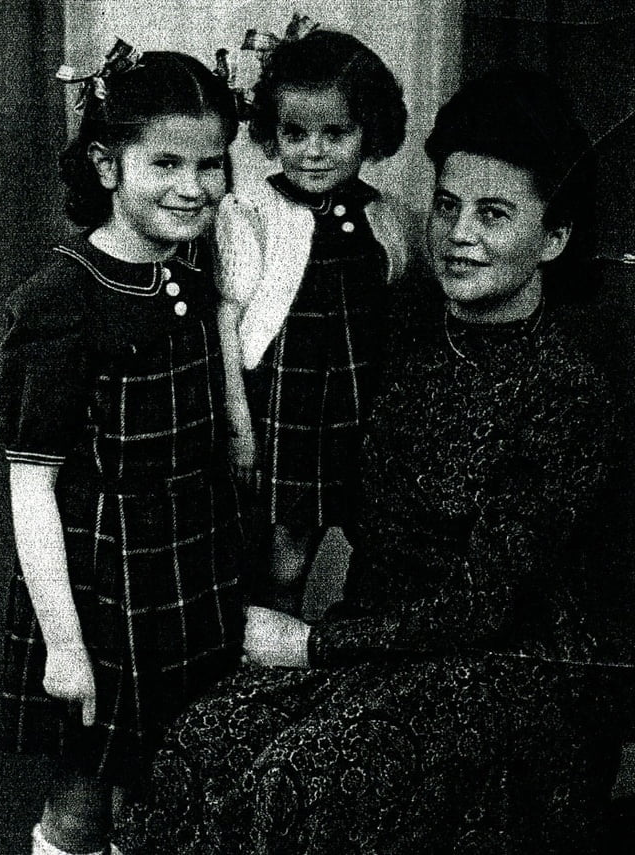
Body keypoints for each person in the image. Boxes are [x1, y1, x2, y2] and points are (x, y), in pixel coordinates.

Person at [114, 69, 633, 854]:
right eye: (449, 205)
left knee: (301, 775)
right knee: (201, 735)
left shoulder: (565, 391)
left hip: (510, 668)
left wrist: (311, 645)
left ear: (553, 237)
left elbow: (483, 605)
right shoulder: (405, 334)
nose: (459, 234)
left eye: (494, 214)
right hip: (382, 640)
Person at [0, 41, 244, 855]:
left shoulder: (191, 271)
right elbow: (33, 486)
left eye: (211, 163)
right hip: (104, 593)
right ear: (107, 165)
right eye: (166, 161)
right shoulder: (63, 297)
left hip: (187, 571)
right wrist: (65, 643)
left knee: (172, 783)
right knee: (84, 801)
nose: (193, 185)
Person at [216, 28, 412, 615]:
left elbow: (395, 318)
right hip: (287, 414)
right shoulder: (251, 209)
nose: (313, 151)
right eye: (295, 133)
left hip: (363, 414)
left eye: (336, 133)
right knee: (284, 559)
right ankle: (269, 670)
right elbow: (229, 325)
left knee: (379, 544)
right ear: (272, 134)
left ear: (369, 133)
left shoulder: (387, 217)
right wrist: (241, 429)